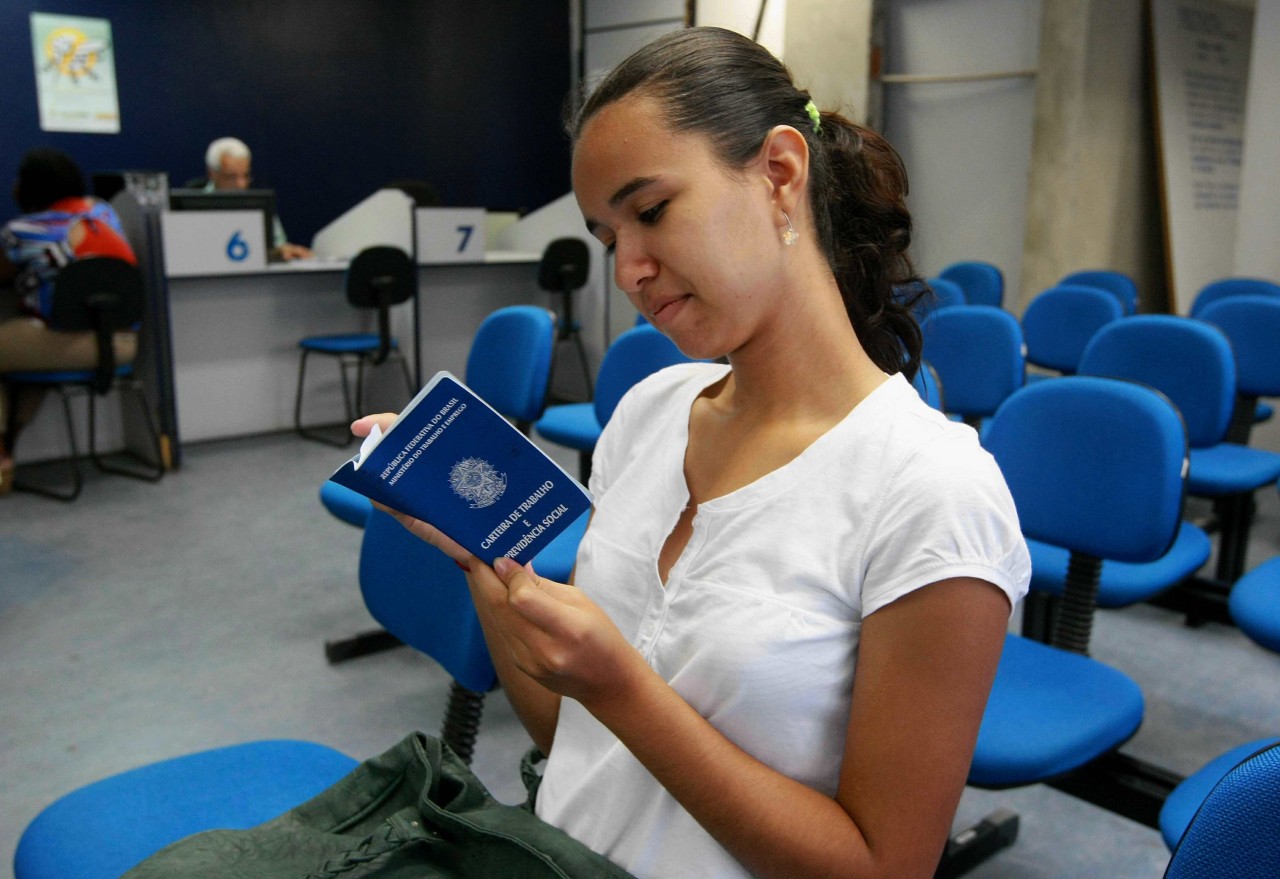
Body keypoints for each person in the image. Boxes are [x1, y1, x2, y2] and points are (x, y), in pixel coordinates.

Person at [356, 26, 1032, 879]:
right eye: (608, 238)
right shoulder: (651, 412)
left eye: (650, 212)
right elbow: (576, 744)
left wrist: (623, 688)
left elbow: (883, 867)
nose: (628, 271)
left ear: (780, 173)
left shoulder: (932, 490)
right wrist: (482, 557)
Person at [0, 147, 140, 494]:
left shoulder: (21, 230)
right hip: (123, 344)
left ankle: (2, 456)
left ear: (31, 187)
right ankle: (7, 448)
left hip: (69, 344)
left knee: (17, 346)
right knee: (24, 360)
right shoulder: (105, 213)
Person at [203, 136, 312, 262]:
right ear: (212, 174)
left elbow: (278, 244)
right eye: (231, 176)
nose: (241, 184)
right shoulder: (192, 208)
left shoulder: (259, 205)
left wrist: (283, 251)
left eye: (245, 175)